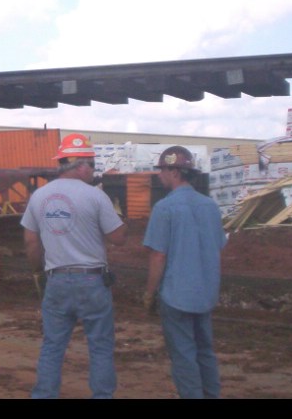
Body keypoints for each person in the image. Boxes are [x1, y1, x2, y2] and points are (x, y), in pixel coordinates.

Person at [20, 133, 127, 399]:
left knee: (53, 345)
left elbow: (30, 241)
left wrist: (37, 273)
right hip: (92, 281)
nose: (93, 169)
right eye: (91, 164)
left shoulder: (39, 196)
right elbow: (118, 238)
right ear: (79, 164)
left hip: (56, 280)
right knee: (100, 346)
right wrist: (117, 213)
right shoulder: (96, 196)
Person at [143, 146, 227, 399]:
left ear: (175, 171)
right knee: (205, 351)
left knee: (183, 355)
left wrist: (149, 293)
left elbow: (158, 255)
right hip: (205, 293)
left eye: (162, 170)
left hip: (176, 295)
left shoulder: (164, 208)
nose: (159, 175)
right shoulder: (210, 206)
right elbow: (218, 245)